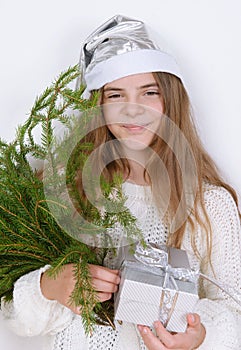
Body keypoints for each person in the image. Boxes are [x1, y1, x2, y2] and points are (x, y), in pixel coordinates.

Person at [2, 14, 241, 350]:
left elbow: (234, 312)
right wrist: (49, 286)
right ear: (97, 105)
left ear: (170, 99)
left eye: (149, 92)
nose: (133, 109)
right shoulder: (65, 192)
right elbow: (12, 316)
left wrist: (200, 337)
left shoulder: (209, 204)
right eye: (115, 95)